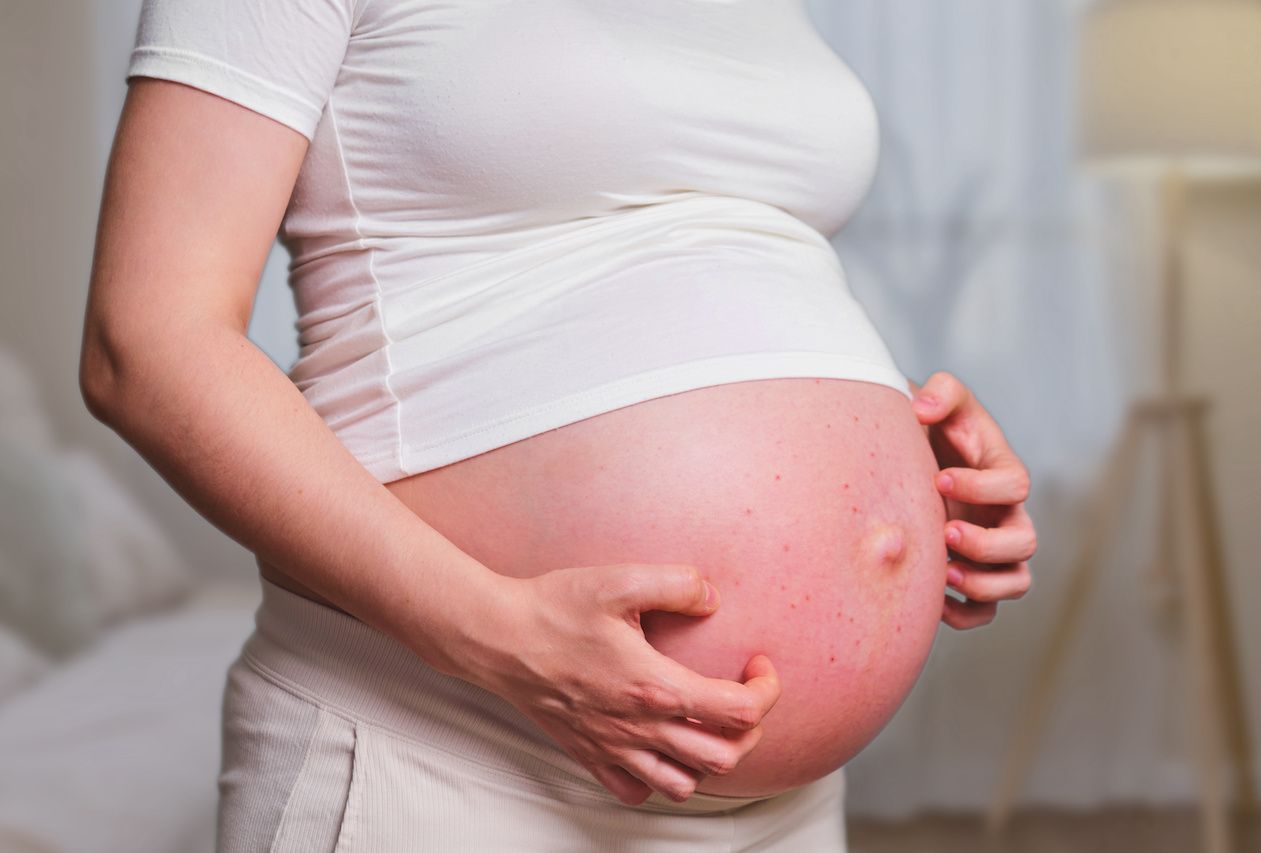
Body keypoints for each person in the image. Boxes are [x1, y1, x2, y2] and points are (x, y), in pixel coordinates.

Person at [80, 1, 1035, 850]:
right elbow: (147, 342)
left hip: (781, 806)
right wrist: (498, 635)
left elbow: (674, 254)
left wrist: (902, 451)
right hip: (448, 754)